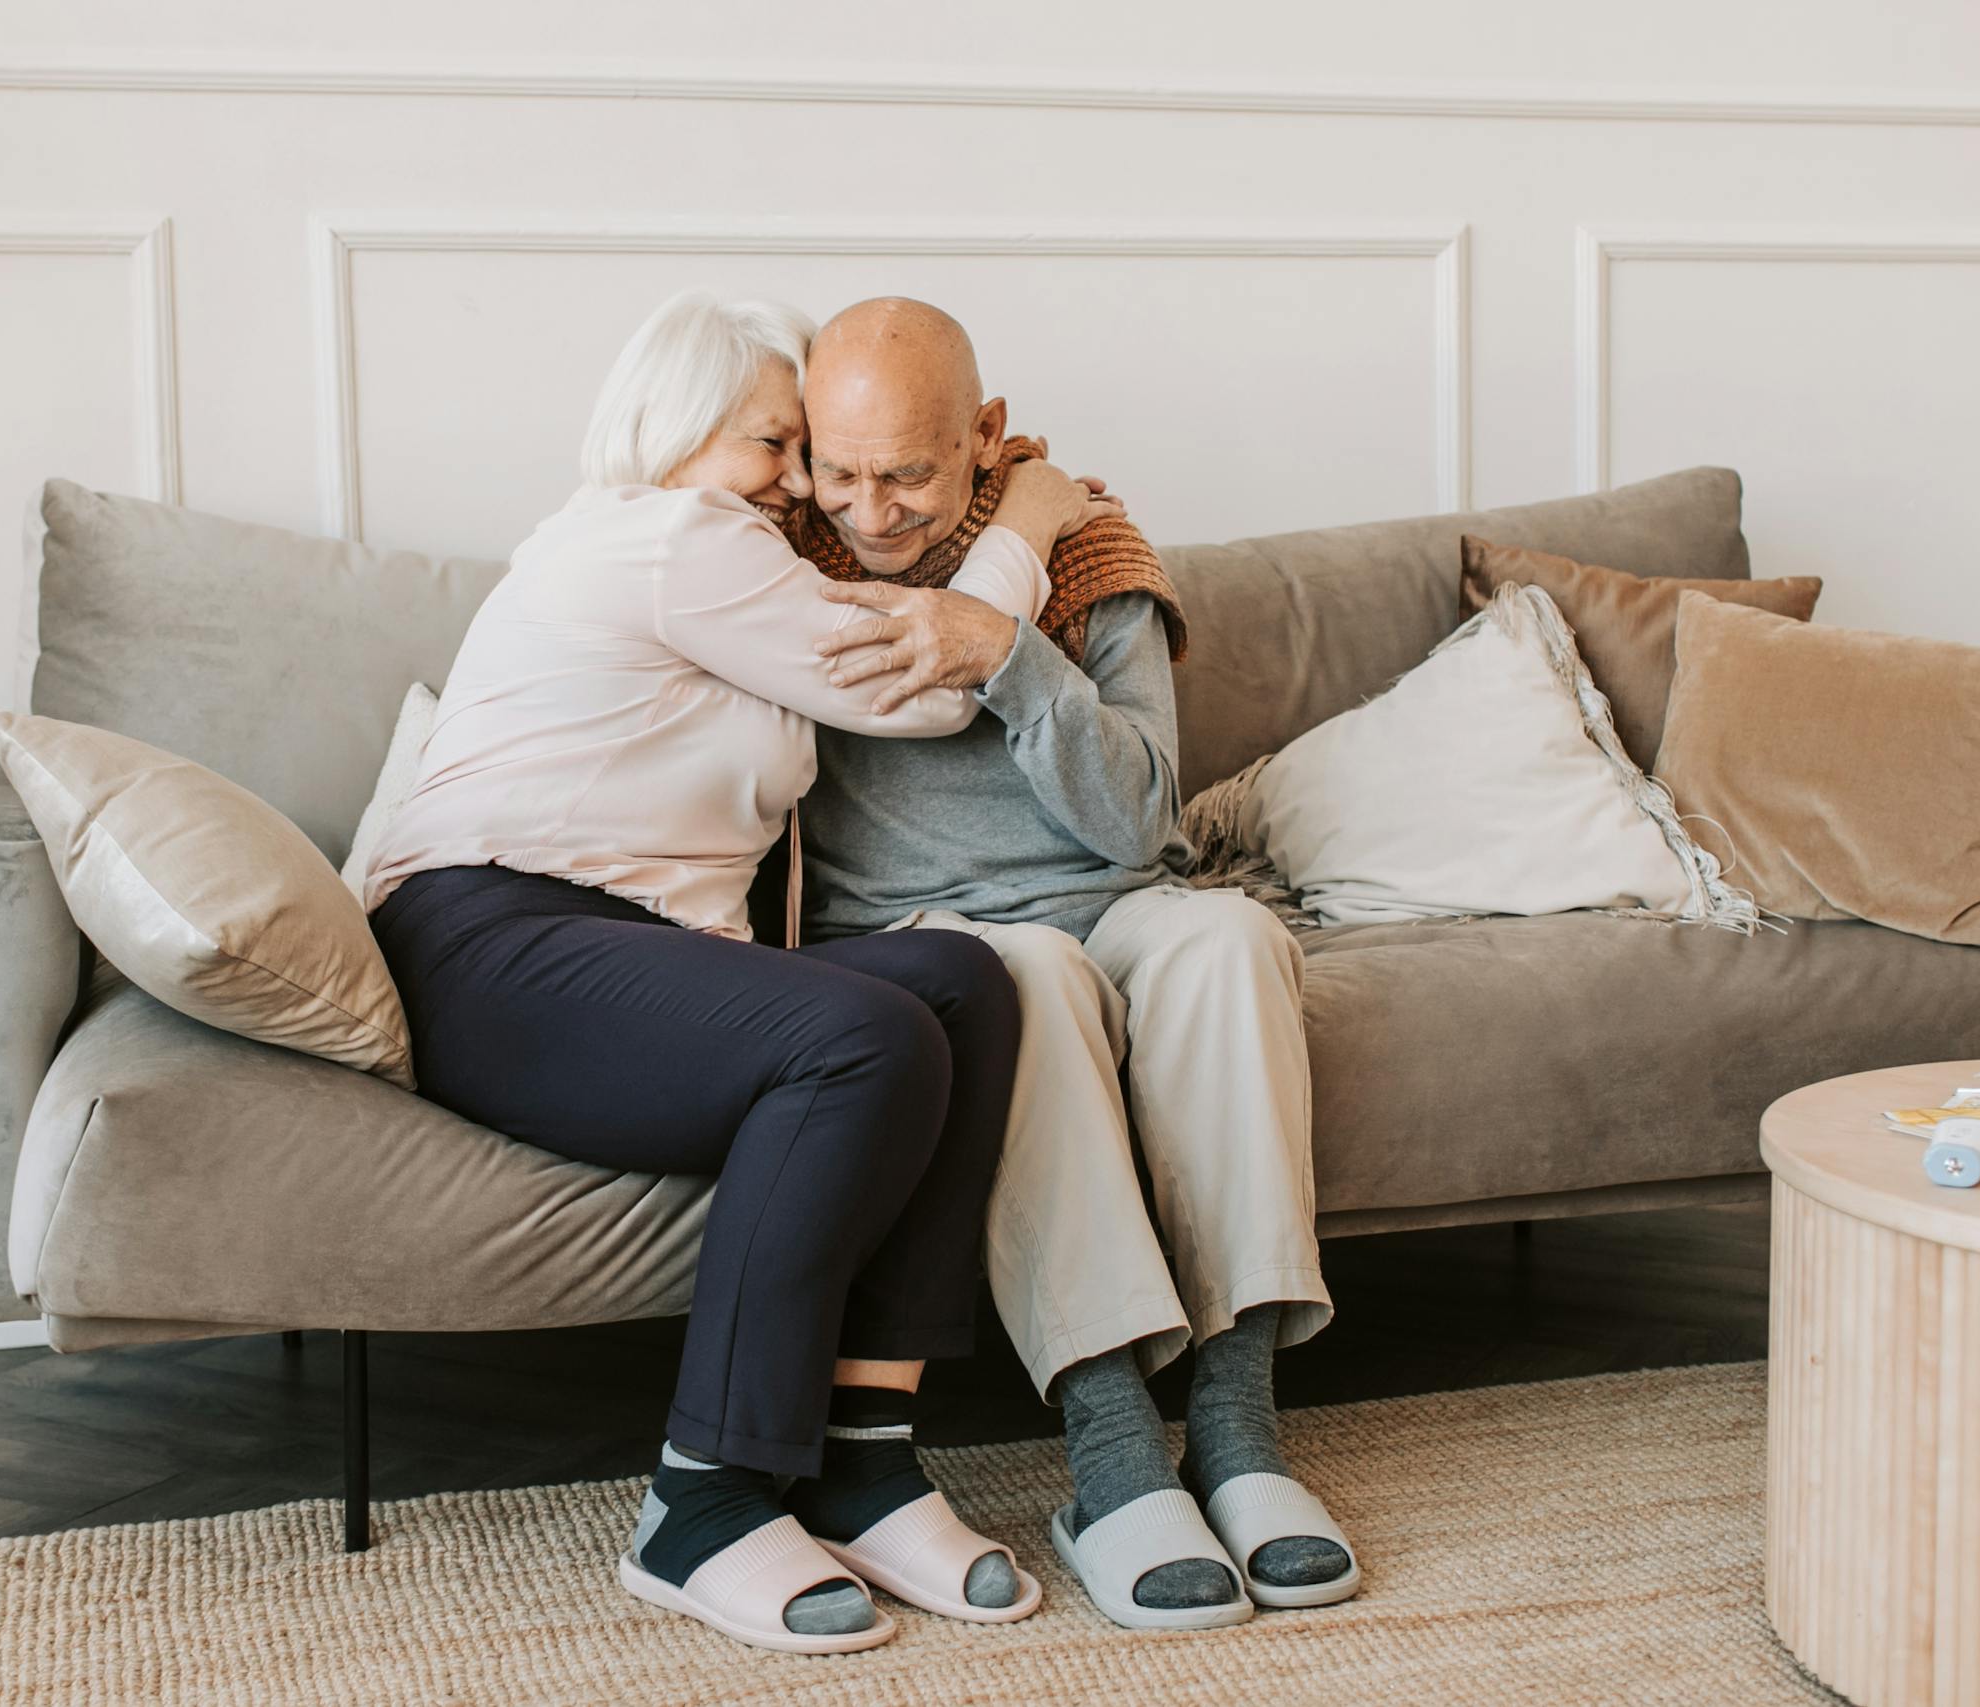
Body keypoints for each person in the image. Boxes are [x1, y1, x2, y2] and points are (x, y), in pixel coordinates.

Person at [361, 290, 1117, 1655]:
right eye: (776, 445)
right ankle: (702, 1502)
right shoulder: (674, 537)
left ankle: (865, 1463)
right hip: (495, 946)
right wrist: (1024, 524)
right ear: (681, 429)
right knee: (865, 1038)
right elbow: (926, 685)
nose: (796, 484)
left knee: (962, 985)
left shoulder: (719, 560)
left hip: (607, 950)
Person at [786, 298, 1360, 1631]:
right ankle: (1109, 1464)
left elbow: (1145, 816)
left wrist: (1014, 657)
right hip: (929, 945)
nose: (869, 513)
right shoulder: (773, 562)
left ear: (986, 438)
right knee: (1020, 978)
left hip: (1117, 900)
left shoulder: (1091, 552)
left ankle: (1237, 1434)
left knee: (1226, 935)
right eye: (842, 469)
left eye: (911, 474)